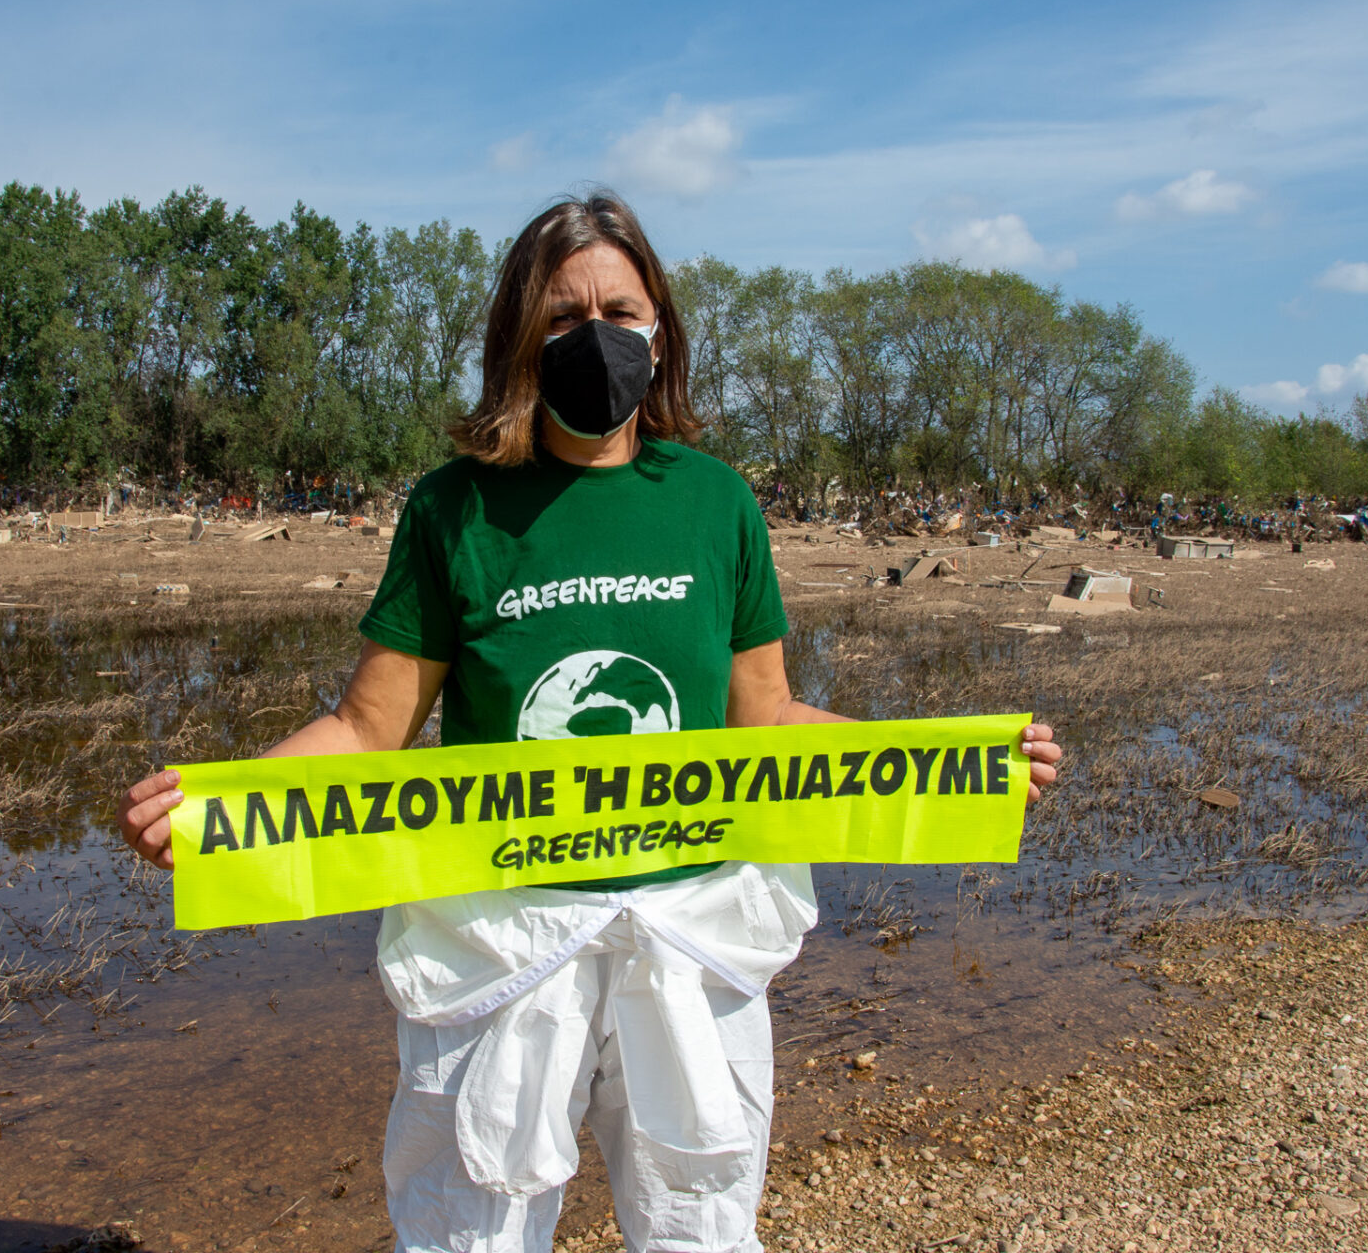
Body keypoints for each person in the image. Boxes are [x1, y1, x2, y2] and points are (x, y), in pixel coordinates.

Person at [119, 193, 1063, 1253]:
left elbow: (766, 717)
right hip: (500, 940)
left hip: (690, 933)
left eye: (620, 310)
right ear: (519, 338)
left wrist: (956, 765)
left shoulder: (716, 502)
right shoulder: (454, 509)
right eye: (564, 316)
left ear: (659, 330)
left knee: (700, 1229)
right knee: (471, 1229)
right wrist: (218, 807)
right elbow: (366, 728)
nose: (596, 335)